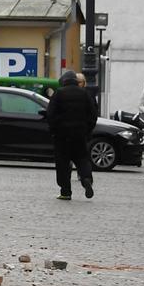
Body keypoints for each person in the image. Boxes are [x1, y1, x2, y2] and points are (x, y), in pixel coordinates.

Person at [45, 69, 98, 200]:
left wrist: (54, 130)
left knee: (63, 163)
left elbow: (50, 114)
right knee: (82, 159)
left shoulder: (58, 94)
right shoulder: (85, 94)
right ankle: (86, 179)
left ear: (63, 81)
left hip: (62, 136)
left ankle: (65, 191)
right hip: (80, 134)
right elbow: (93, 114)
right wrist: (87, 130)